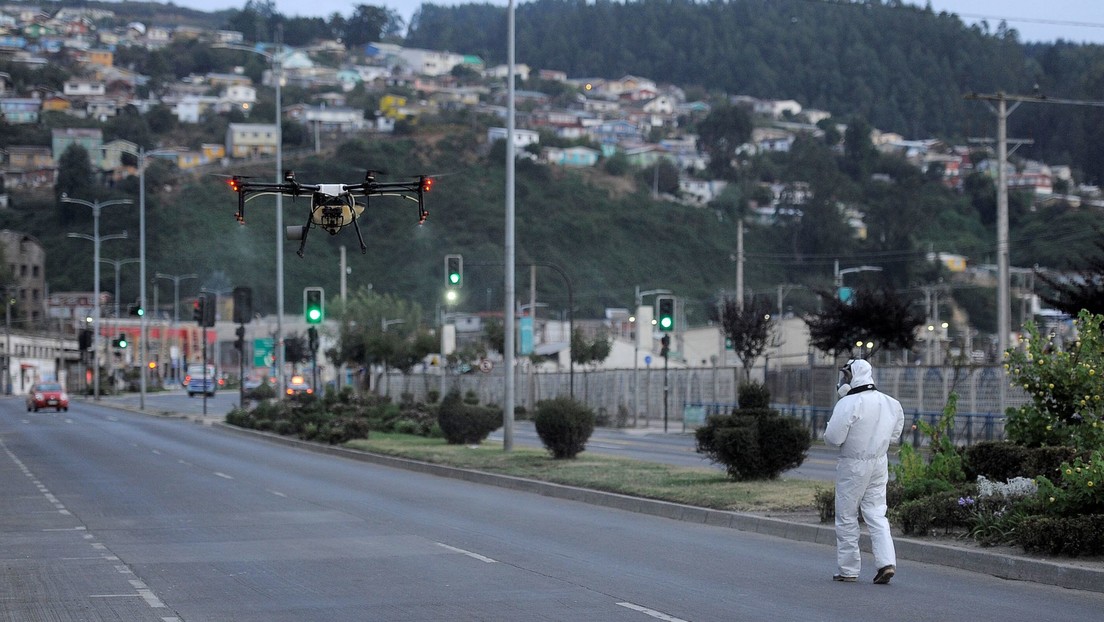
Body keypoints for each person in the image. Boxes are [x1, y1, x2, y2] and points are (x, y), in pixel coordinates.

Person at [823, 358, 904, 585]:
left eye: (845, 376)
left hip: (853, 464)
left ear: (853, 376)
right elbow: (894, 435)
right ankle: (886, 563)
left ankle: (848, 569)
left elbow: (833, 438)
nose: (843, 381)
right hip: (879, 462)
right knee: (877, 513)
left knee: (847, 515)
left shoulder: (848, 404)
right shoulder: (891, 403)